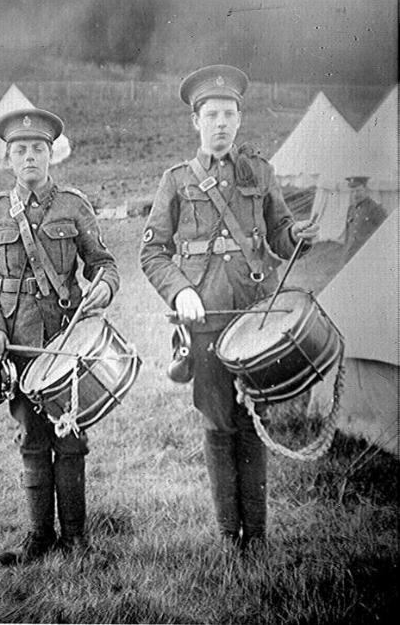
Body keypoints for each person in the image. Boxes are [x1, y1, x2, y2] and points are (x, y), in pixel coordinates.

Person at [140, 65, 319, 551]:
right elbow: (152, 252)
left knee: (251, 422)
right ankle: (227, 536)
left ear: (240, 119)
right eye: (211, 114)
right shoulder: (175, 180)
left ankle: (256, 536)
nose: (220, 123)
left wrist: (296, 237)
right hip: (204, 325)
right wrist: (181, 292)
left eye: (228, 113)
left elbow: (280, 234)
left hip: (256, 322)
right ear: (195, 122)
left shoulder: (260, 173)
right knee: (218, 423)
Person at [0, 108, 119, 565]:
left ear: (51, 154)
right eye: (20, 150)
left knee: (70, 437)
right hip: (17, 344)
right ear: (9, 159)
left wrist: (105, 287)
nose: (29, 156)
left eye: (38, 148)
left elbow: (103, 263)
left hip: (67, 340)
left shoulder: (74, 205)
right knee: (31, 438)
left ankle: (75, 538)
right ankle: (39, 536)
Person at [342, 176, 387, 264]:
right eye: (352, 191)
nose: (355, 194)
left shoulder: (375, 208)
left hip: (367, 256)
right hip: (351, 255)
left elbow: (384, 234)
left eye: (358, 190)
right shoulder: (351, 209)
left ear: (366, 190)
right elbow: (348, 234)